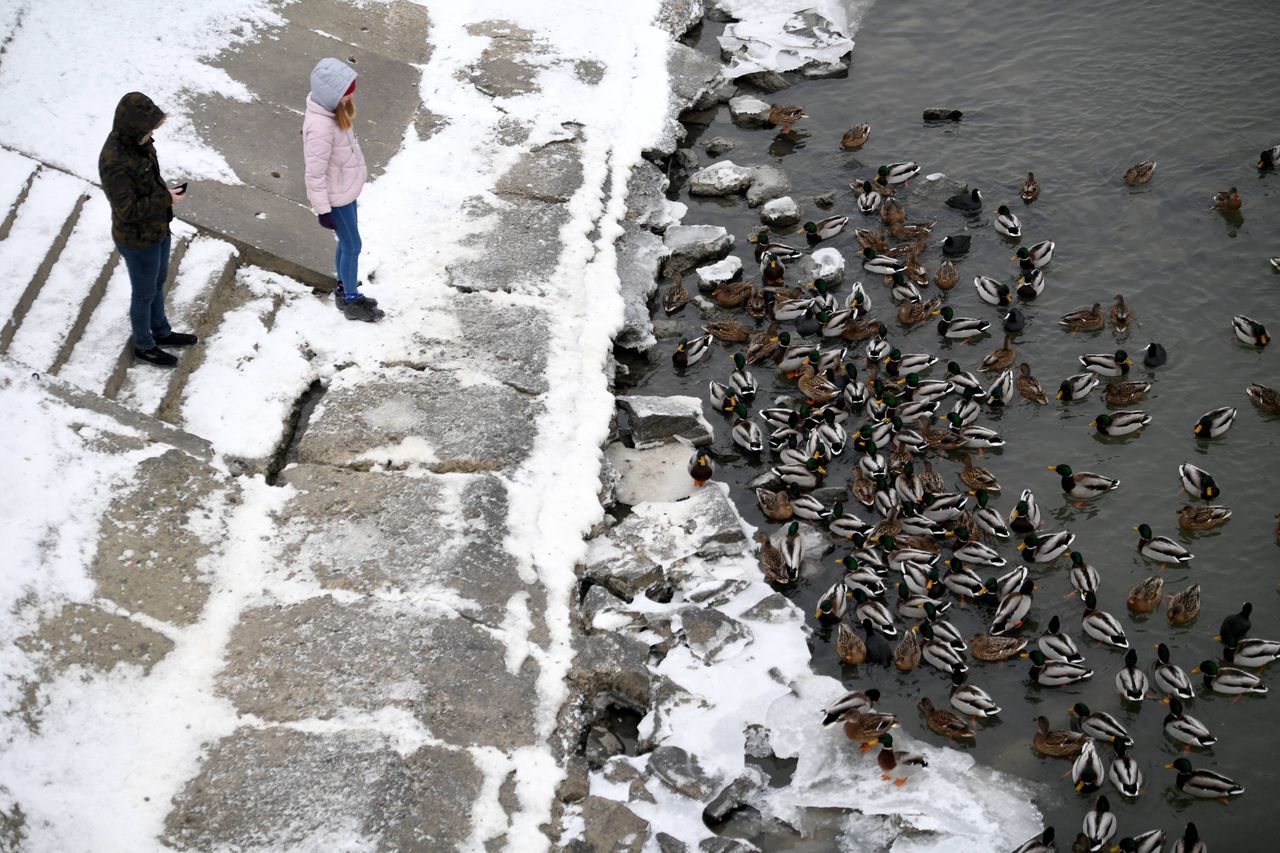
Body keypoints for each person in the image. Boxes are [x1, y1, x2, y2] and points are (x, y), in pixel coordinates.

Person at [99, 92, 197, 367]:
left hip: (158, 229)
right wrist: (165, 198)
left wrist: (163, 194)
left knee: (156, 284)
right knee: (143, 293)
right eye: (149, 127)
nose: (153, 132)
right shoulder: (114, 161)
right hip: (138, 240)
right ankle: (144, 345)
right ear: (134, 127)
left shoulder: (139, 144)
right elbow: (126, 210)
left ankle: (161, 331)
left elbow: (147, 180)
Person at [303, 57, 382, 322]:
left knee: (346, 244)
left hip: (346, 191)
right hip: (336, 198)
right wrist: (323, 210)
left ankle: (342, 289)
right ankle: (351, 300)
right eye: (346, 95)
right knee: (353, 246)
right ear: (332, 95)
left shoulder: (332, 114)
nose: (350, 100)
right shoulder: (321, 127)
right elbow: (314, 173)